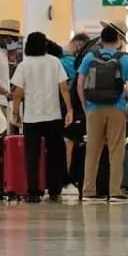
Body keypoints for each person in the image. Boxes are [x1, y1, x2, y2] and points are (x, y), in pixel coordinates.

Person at [77, 22, 128, 204]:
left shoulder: (90, 56)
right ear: (119, 40)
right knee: (116, 151)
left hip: (93, 108)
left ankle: (89, 192)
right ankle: (114, 192)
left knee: (92, 151)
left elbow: (80, 83)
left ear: (102, 40)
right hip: (116, 108)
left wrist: (85, 106)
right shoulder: (125, 59)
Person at [11, 32, 74, 202]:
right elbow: (64, 88)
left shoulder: (24, 65)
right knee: (55, 153)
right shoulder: (54, 62)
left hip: (31, 118)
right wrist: (69, 109)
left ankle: (33, 192)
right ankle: (54, 189)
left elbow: (18, 93)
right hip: (53, 115)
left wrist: (15, 113)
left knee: (32, 155)